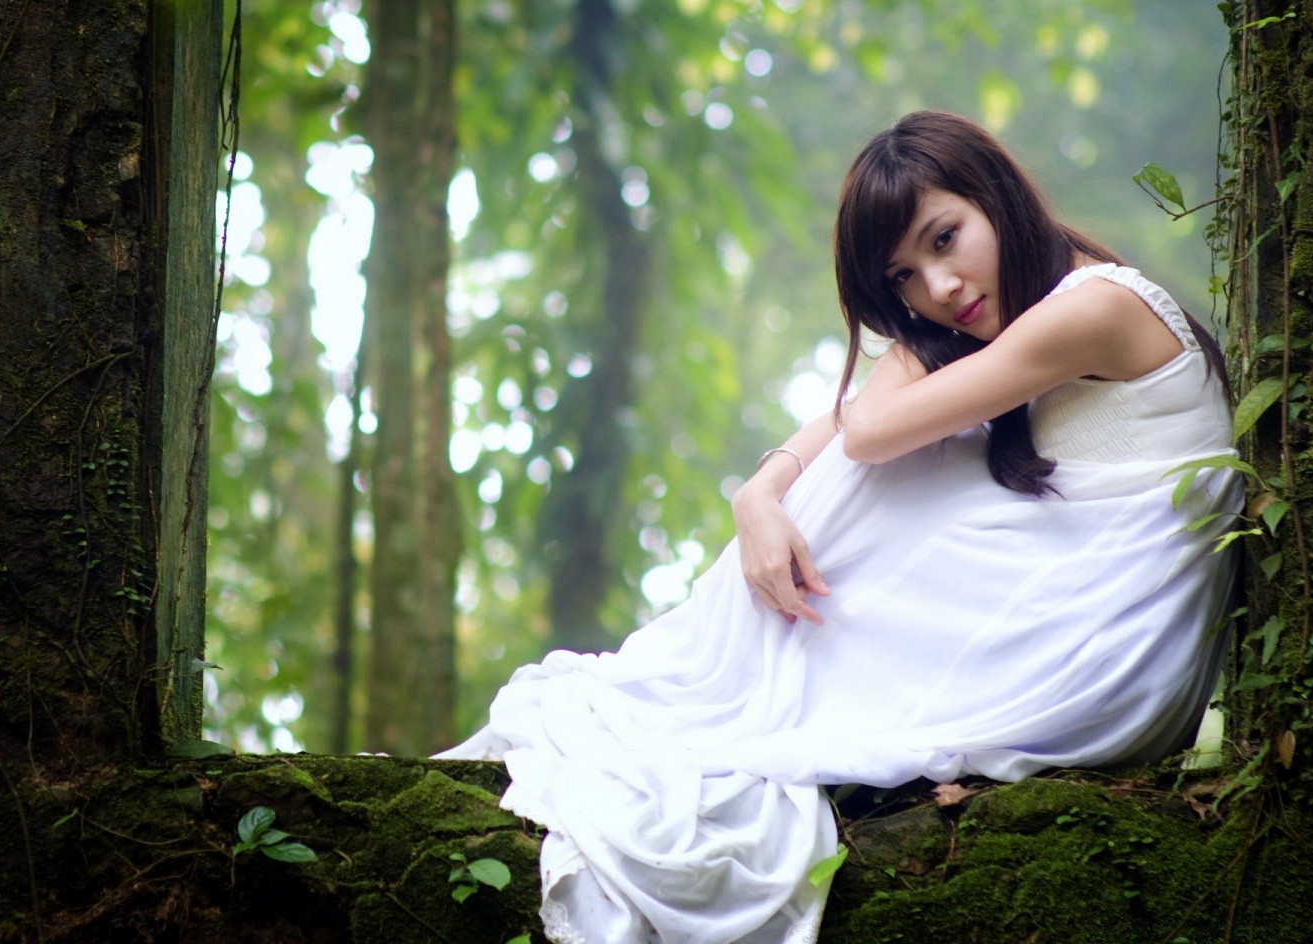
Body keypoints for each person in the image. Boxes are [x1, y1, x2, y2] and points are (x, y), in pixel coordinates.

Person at [436, 110, 1243, 944]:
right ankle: (721, 687)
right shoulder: (1036, 313)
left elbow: (867, 433)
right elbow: (862, 420)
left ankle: (721, 690)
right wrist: (759, 494)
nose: (938, 289)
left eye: (945, 238)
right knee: (875, 462)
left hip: (1109, 655)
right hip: (1100, 621)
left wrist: (905, 350)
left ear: (998, 197)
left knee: (880, 467)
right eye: (902, 279)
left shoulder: (1095, 309)